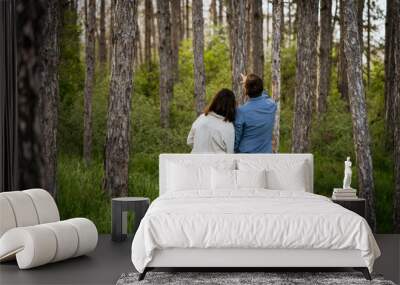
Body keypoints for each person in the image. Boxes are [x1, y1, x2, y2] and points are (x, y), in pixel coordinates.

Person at [234, 74, 277, 153]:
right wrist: (250, 82)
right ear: (261, 88)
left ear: (246, 91)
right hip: (266, 157)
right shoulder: (272, 105)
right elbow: (265, 95)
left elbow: (236, 140)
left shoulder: (241, 111)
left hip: (246, 158)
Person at [187, 89, 236, 153]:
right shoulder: (228, 127)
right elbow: (229, 152)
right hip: (218, 162)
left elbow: (189, 141)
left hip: (197, 161)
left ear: (215, 101)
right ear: (231, 107)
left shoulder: (201, 118)